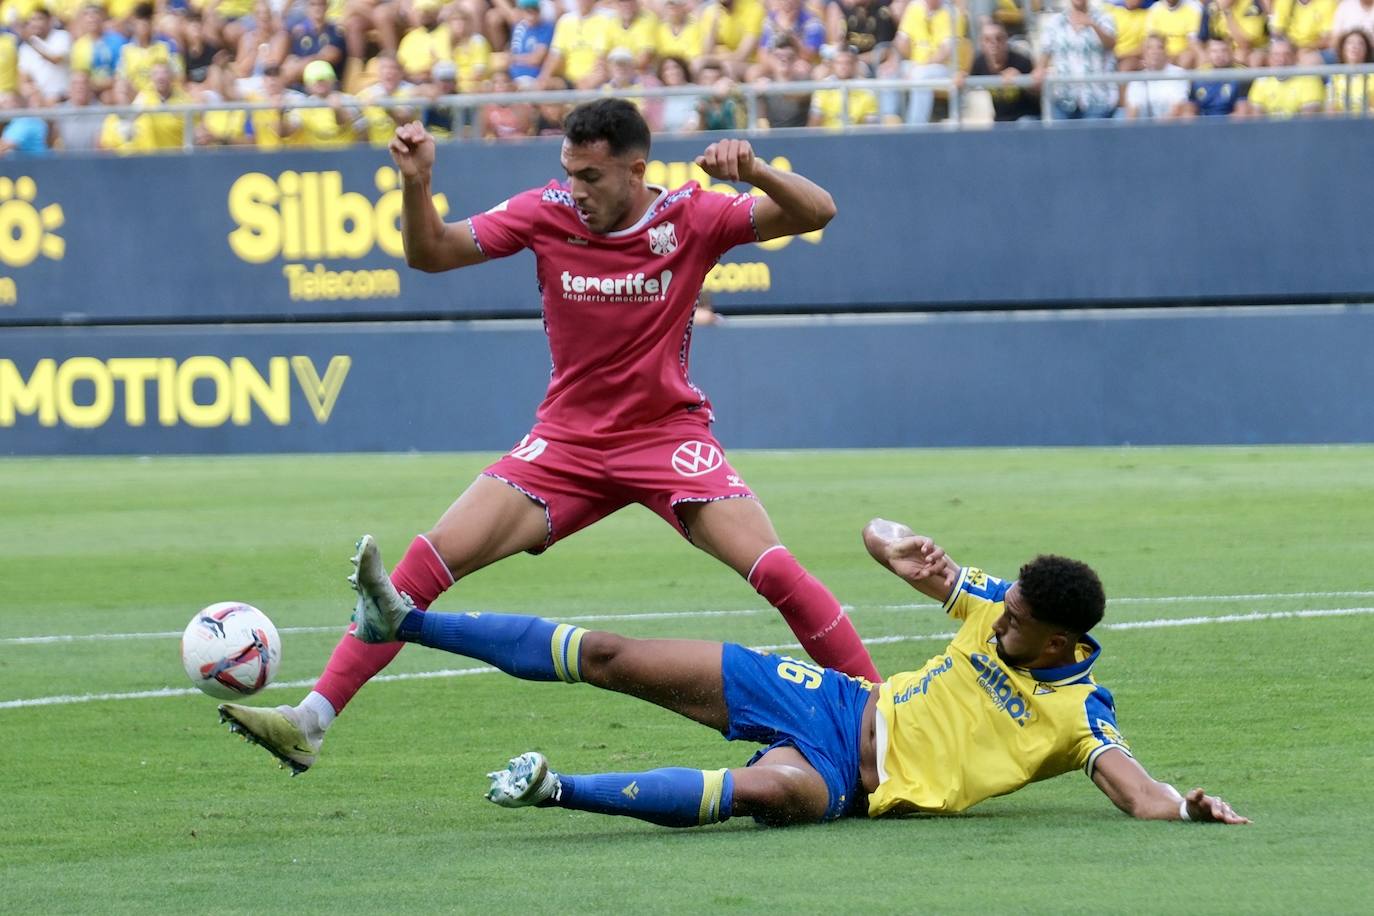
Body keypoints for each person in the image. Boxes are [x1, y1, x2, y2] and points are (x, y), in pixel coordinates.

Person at [218, 98, 880, 775]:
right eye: (569, 172)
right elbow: (432, 254)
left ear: (635, 169)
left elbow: (817, 210)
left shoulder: (692, 215)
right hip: (566, 443)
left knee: (776, 572)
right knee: (426, 561)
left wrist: (757, 170)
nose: (576, 190)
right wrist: (416, 182)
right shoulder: (546, 212)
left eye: (591, 176)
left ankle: (887, 723)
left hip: (665, 438)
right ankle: (311, 721)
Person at [233, 520, 1251, 829]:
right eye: (1005, 609)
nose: (999, 622)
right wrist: (912, 552)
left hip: (854, 783)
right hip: (830, 700)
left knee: (767, 796)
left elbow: (1136, 790)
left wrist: (1189, 806)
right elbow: (882, 541)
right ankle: (400, 616)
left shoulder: (1078, 707)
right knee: (612, 657)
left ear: (1061, 637)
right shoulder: (999, 606)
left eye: (1019, 622)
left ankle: (555, 787)